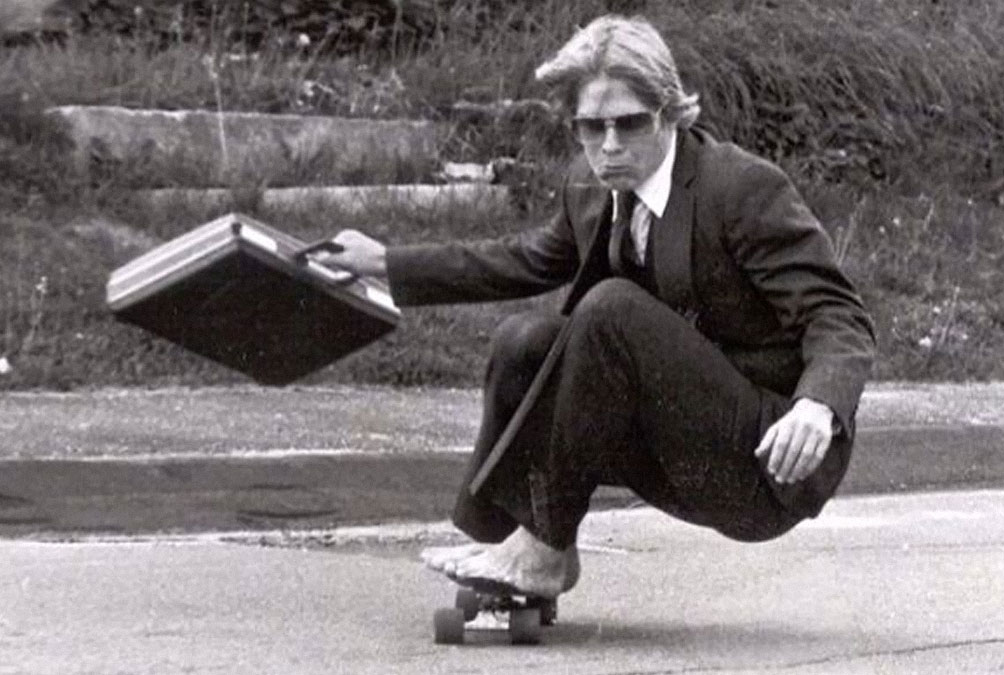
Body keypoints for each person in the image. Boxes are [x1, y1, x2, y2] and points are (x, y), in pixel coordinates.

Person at [312, 14, 875, 599]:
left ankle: (542, 551)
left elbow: (839, 313)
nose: (608, 147)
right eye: (591, 127)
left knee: (609, 309)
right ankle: (506, 547)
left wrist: (818, 407)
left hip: (764, 461)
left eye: (629, 124)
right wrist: (387, 262)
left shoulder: (738, 189)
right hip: (671, 448)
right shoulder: (591, 187)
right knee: (524, 340)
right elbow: (521, 259)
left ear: (669, 113)